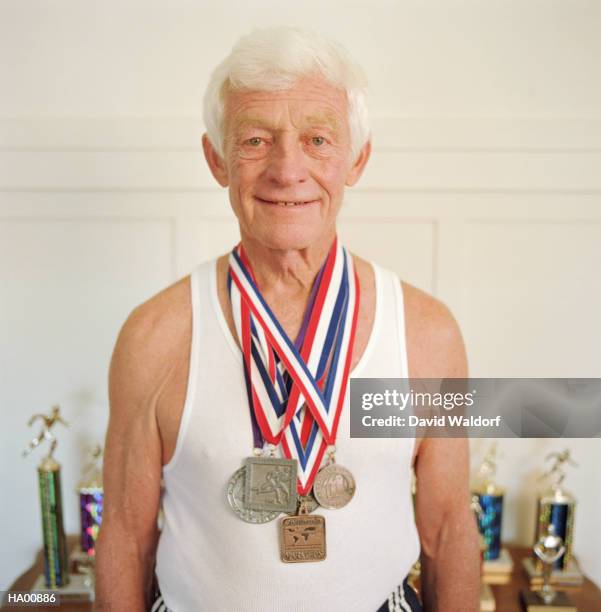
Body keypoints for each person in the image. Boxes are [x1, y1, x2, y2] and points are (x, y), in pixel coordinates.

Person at [95, 27, 480, 612]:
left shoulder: (428, 334)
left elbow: (450, 530)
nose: (287, 169)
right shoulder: (154, 336)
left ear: (357, 159)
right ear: (217, 159)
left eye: (318, 140)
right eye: (255, 140)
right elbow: (124, 535)